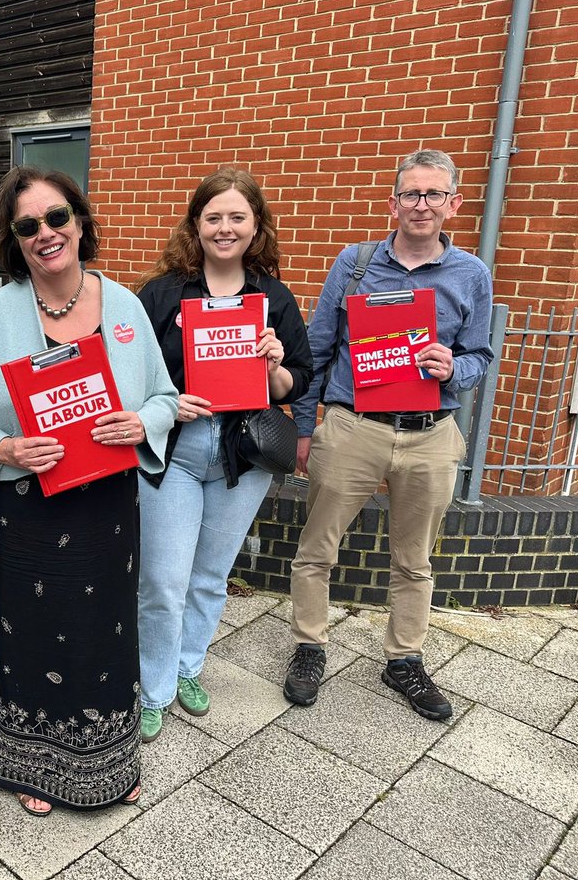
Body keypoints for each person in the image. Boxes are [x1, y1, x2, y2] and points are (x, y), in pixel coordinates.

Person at [0, 166, 178, 816]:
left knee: (104, 632)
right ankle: (26, 759)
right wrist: (6, 448)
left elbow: (164, 397)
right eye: (27, 225)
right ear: (13, 240)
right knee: (27, 635)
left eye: (57, 217)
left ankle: (110, 759)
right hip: (21, 512)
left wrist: (143, 421)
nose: (46, 233)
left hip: (105, 508)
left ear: (79, 220)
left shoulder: (124, 307)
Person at [283, 149, 493, 720]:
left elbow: (480, 356)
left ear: (453, 203)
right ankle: (309, 645)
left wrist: (456, 368)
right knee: (317, 549)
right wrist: (305, 429)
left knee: (415, 559)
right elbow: (316, 350)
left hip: (430, 434)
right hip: (353, 427)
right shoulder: (353, 263)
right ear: (392, 203)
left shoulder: (472, 274)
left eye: (433, 195)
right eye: (410, 194)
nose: (420, 205)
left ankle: (404, 658)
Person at [135, 168, 312, 742]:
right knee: (163, 579)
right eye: (213, 216)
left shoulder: (273, 298)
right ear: (196, 224)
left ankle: (188, 666)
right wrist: (167, 401)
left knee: (210, 576)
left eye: (238, 216)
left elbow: (296, 385)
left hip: (243, 456)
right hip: (178, 451)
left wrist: (272, 366)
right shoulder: (162, 293)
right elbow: (129, 372)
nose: (225, 227)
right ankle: (154, 686)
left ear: (255, 225)